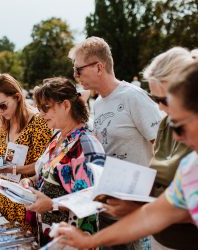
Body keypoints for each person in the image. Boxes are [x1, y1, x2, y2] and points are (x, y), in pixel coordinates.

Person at [55, 61, 198, 250]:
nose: (175, 136)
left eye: (178, 126)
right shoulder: (191, 167)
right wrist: (90, 241)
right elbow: (152, 215)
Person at [68, 36, 163, 249]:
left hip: (136, 210)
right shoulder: (99, 103)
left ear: (99, 67)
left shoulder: (133, 97)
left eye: (78, 70)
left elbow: (163, 148)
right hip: (109, 206)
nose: (75, 76)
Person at [103, 47, 197, 250]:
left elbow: (187, 205)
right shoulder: (165, 125)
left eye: (164, 100)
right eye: (155, 100)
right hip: (161, 238)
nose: (160, 108)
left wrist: (139, 207)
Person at [20, 77, 106, 244]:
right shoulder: (58, 136)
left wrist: (52, 204)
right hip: (51, 233)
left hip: (74, 238)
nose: (41, 114)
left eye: (45, 108)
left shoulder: (86, 144)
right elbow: (49, 174)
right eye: (39, 108)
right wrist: (29, 181)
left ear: (66, 105)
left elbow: (94, 197)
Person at [0, 73, 52, 229]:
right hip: (6, 196)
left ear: (17, 97)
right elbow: (4, 155)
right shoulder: (5, 122)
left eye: (2, 105)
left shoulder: (38, 123)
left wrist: (11, 169)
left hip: (27, 200)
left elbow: (43, 165)